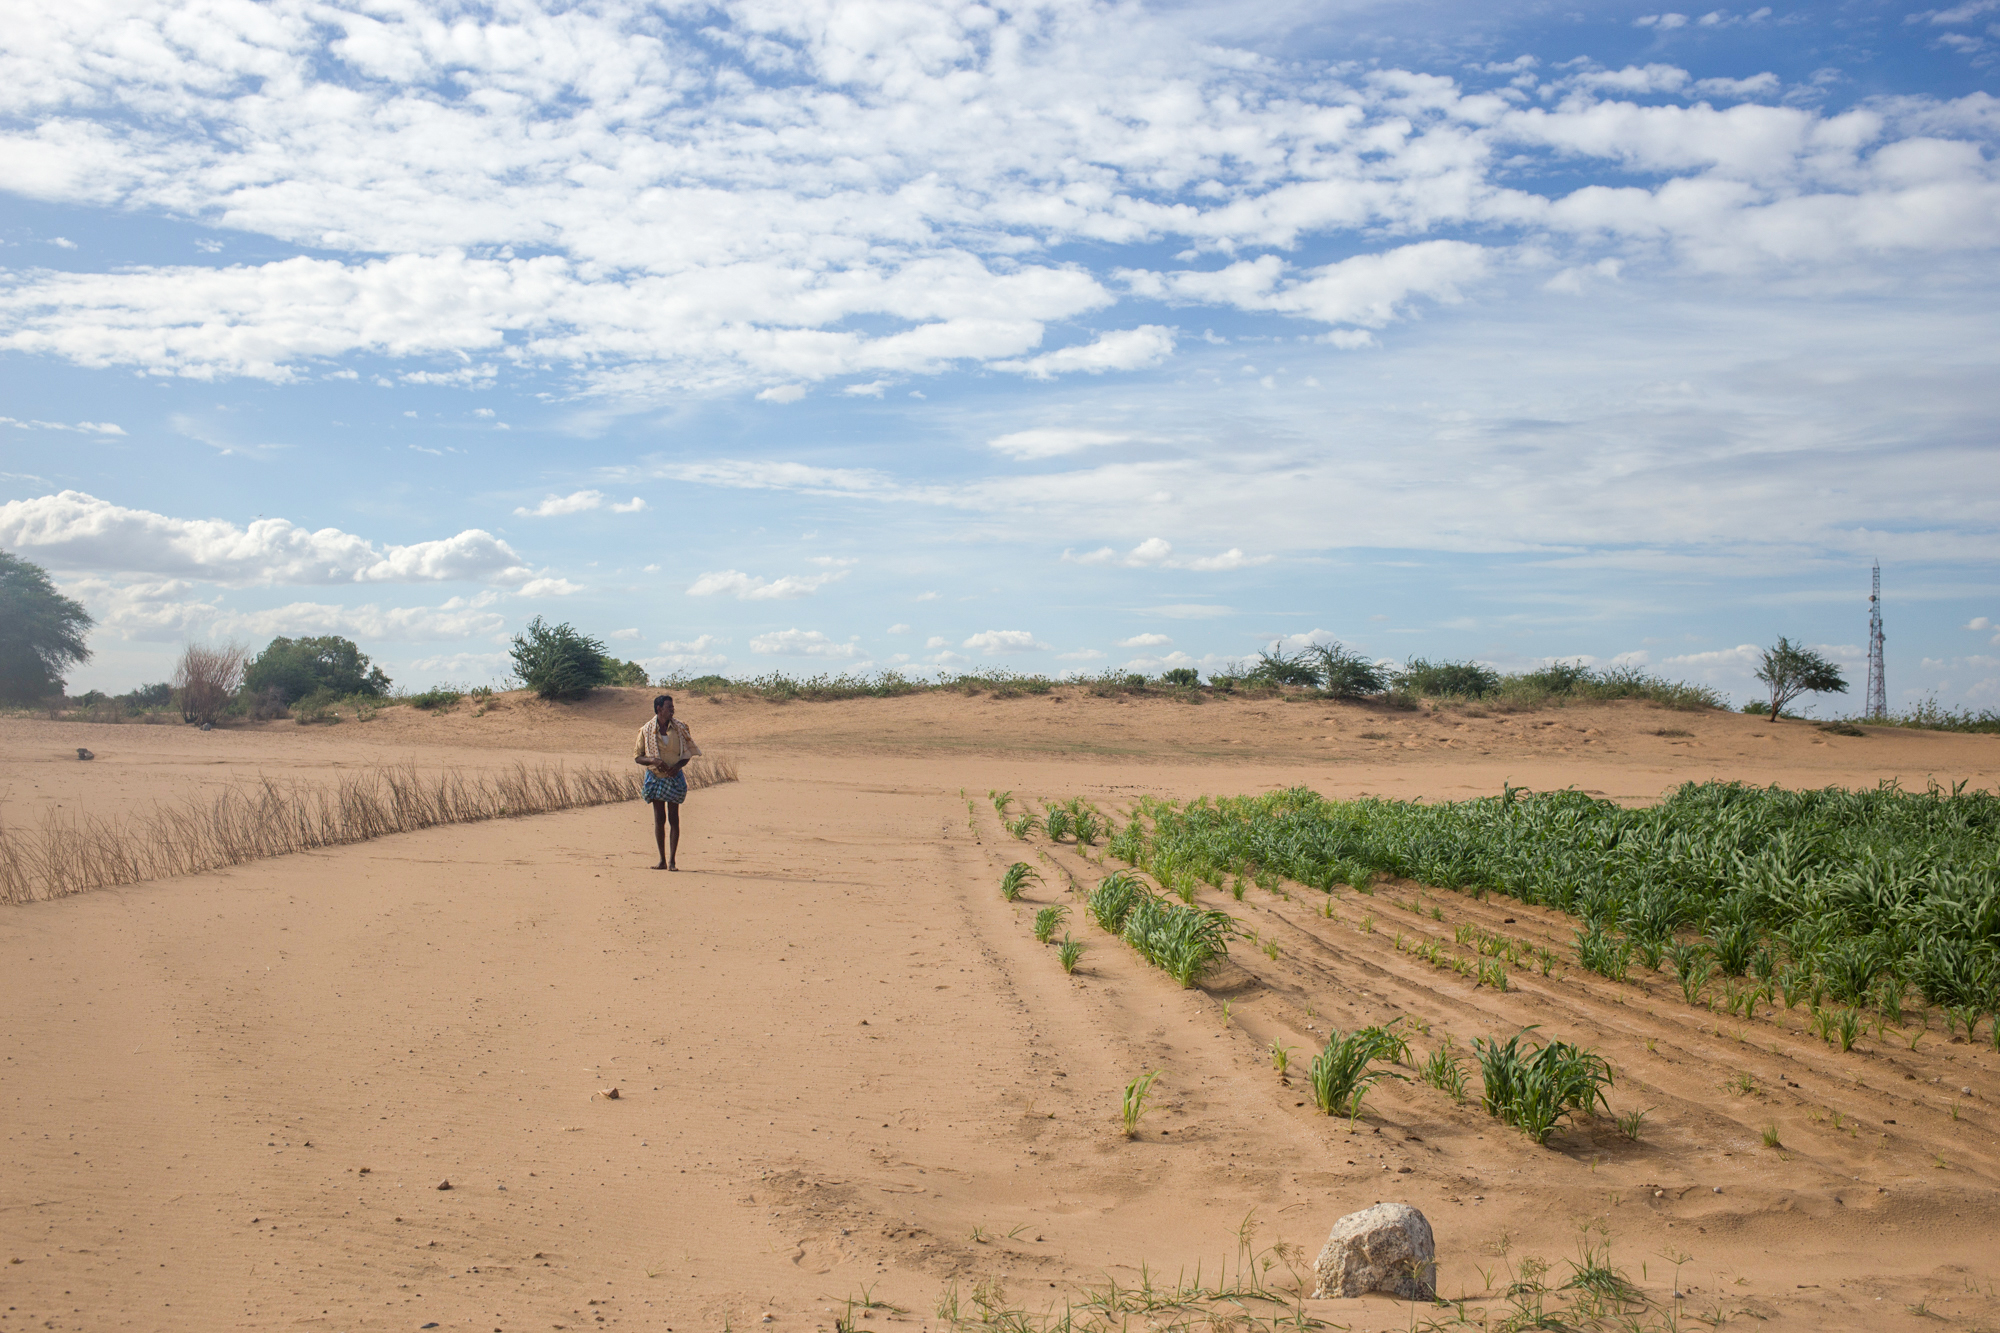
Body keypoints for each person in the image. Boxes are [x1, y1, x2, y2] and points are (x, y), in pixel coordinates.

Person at [634, 693, 701, 870]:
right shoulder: (646, 730)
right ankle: (662, 860)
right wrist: (654, 761)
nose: (672, 710)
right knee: (659, 819)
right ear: (659, 709)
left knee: (674, 818)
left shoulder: (680, 728)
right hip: (655, 778)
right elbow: (638, 757)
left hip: (674, 777)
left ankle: (672, 861)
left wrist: (677, 767)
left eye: (672, 707)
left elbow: (687, 754)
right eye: (669, 707)